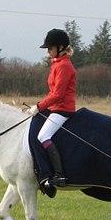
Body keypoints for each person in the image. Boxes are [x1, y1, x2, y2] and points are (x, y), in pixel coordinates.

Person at [26, 28, 77, 197]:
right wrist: (39, 106)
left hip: (63, 110)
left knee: (43, 136)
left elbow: (58, 94)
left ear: (60, 47)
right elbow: (52, 93)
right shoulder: (57, 64)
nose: (48, 52)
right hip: (55, 107)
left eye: (50, 48)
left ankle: (59, 175)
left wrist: (39, 106)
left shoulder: (64, 66)